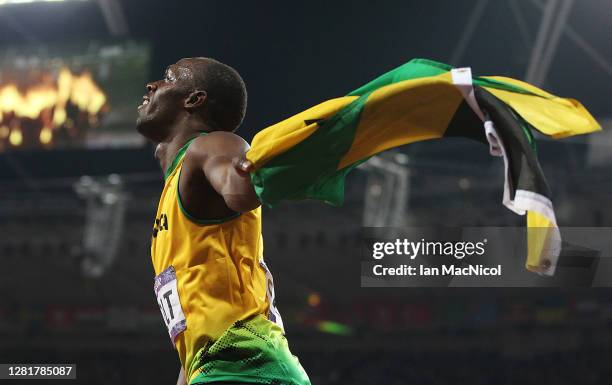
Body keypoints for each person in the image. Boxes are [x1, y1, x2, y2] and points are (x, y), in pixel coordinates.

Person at [136, 57, 311, 385]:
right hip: (220, 369)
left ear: (193, 99)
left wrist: (248, 170)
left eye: (167, 78)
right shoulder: (175, 190)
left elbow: (240, 190)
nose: (152, 85)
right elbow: (196, 337)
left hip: (249, 369)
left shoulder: (211, 145)